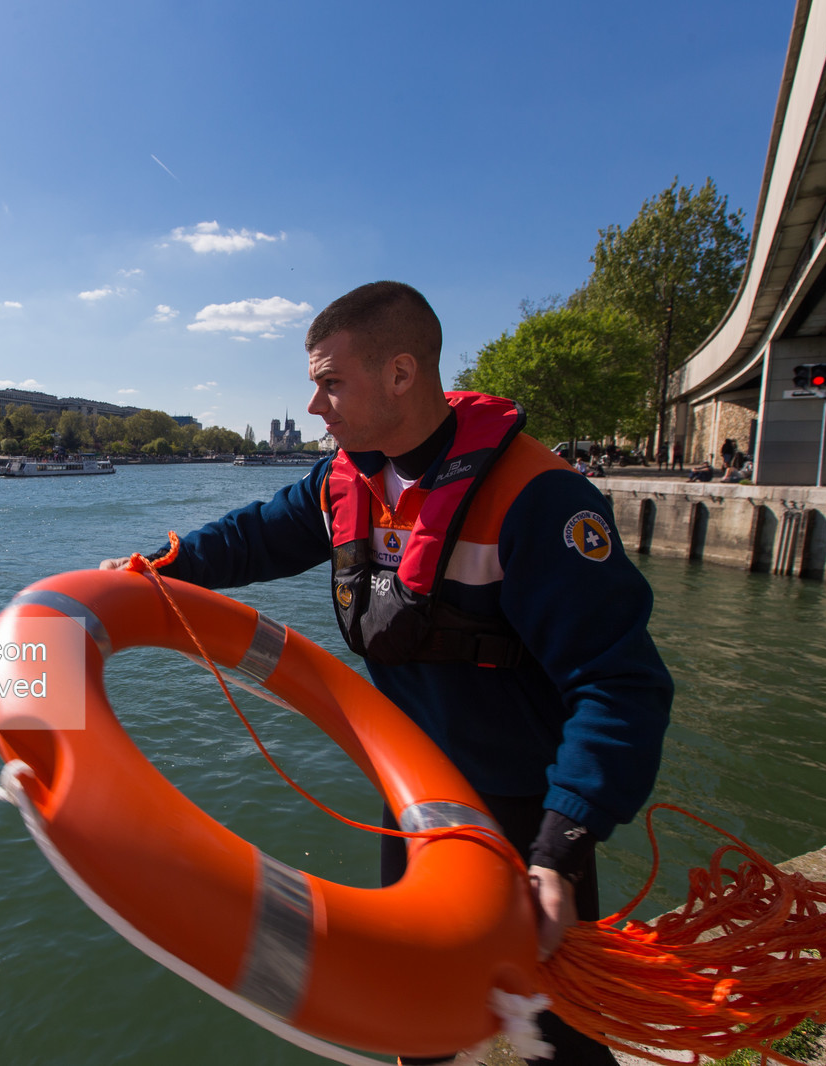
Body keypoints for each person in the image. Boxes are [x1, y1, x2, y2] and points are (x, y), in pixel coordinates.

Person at [100, 281, 672, 1066]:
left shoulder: (540, 501)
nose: (314, 406)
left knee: (559, 1035)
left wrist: (563, 841)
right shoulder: (344, 482)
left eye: (331, 383)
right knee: (415, 1013)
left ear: (401, 374)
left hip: (527, 810)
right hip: (417, 793)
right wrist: (156, 570)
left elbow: (620, 684)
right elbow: (253, 537)